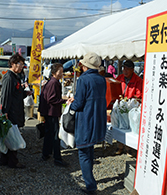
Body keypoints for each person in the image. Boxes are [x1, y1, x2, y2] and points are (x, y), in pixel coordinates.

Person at [68, 52, 107, 195]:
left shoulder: (83, 80)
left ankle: (90, 186)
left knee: (84, 153)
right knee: (89, 151)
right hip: (97, 119)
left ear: (84, 66)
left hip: (86, 120)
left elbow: (78, 103)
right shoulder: (102, 79)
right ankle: (90, 180)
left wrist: (71, 107)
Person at [0, 53, 32, 169]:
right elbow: (5, 96)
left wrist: (25, 93)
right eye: (20, 64)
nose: (22, 67)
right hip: (11, 112)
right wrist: (4, 112)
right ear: (13, 64)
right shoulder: (9, 77)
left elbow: (15, 95)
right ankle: (12, 161)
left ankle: (5, 159)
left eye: (23, 65)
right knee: (13, 136)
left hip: (15, 110)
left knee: (9, 136)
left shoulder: (15, 76)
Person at [38, 63, 69, 167]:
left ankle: (46, 154)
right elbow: (51, 99)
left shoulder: (52, 82)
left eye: (62, 71)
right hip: (51, 112)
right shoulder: (54, 83)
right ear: (54, 73)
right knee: (55, 135)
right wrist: (63, 100)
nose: (62, 74)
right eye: (60, 72)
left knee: (49, 133)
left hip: (49, 112)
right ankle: (57, 158)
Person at [116, 60, 143, 156]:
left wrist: (129, 100)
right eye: (124, 68)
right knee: (120, 126)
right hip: (121, 105)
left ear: (132, 70)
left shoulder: (138, 80)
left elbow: (139, 96)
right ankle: (120, 146)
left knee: (129, 128)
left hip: (131, 107)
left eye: (127, 69)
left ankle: (128, 149)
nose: (125, 71)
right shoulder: (120, 78)